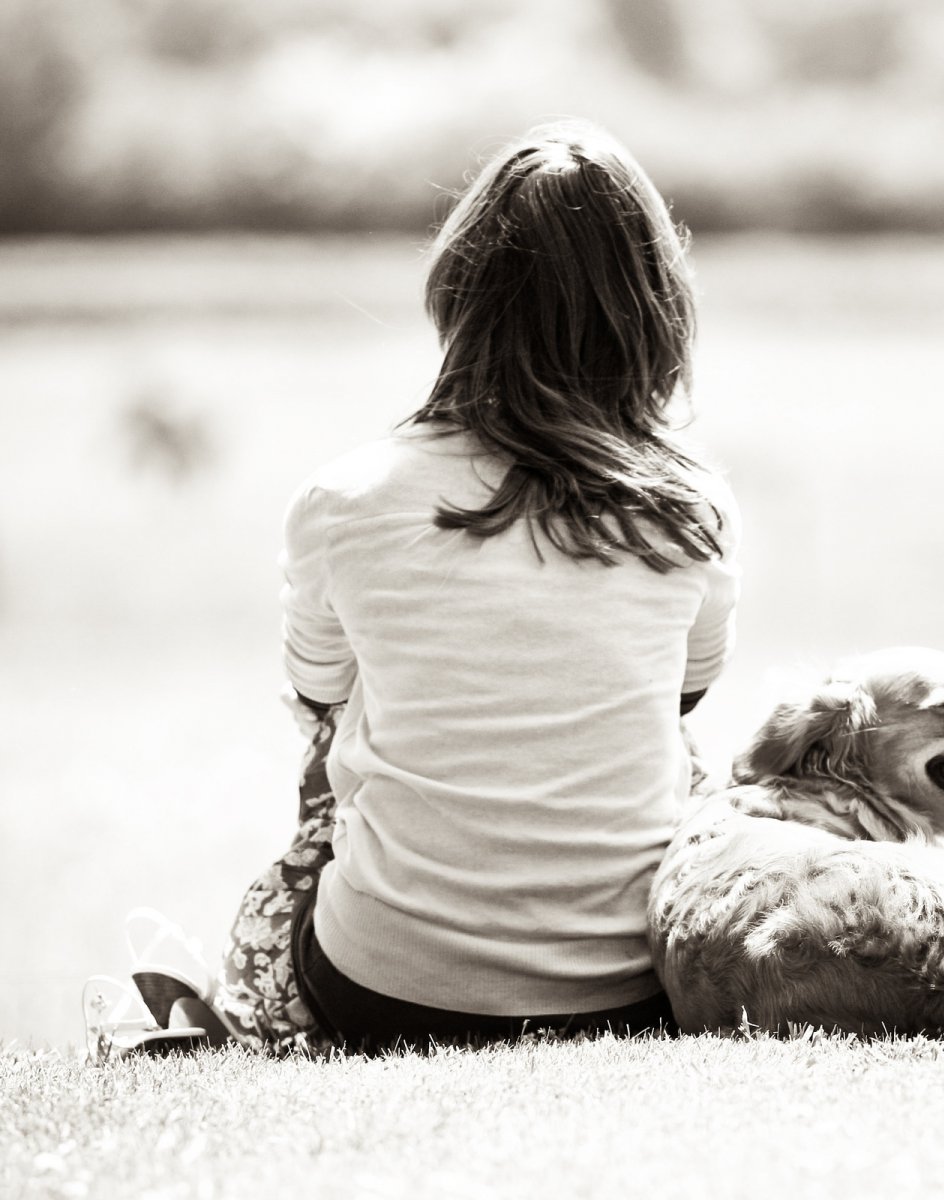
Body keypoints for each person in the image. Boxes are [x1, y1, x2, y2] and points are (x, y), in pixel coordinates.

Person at [194, 119, 739, 1054]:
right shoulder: (688, 505)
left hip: (380, 991)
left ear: (458, 289)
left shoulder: (344, 497)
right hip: (630, 990)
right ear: (654, 306)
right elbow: (684, 692)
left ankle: (267, 1006)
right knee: (674, 745)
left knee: (347, 730)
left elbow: (320, 701)